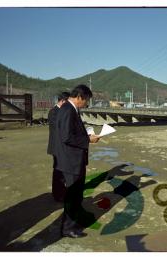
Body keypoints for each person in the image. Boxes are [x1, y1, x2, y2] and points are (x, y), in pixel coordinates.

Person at [54, 84, 100, 238]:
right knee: (73, 196)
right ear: (80, 97)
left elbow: (70, 132)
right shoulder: (68, 109)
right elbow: (66, 137)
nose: (87, 103)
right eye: (86, 100)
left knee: (76, 195)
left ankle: (73, 223)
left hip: (74, 159)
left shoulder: (70, 109)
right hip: (71, 161)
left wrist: (85, 134)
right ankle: (68, 229)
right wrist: (88, 139)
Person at [47, 91, 70, 202]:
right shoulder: (53, 112)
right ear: (62, 101)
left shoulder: (61, 111)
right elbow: (60, 129)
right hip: (57, 147)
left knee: (62, 171)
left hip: (62, 147)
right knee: (58, 172)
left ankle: (62, 191)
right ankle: (57, 195)